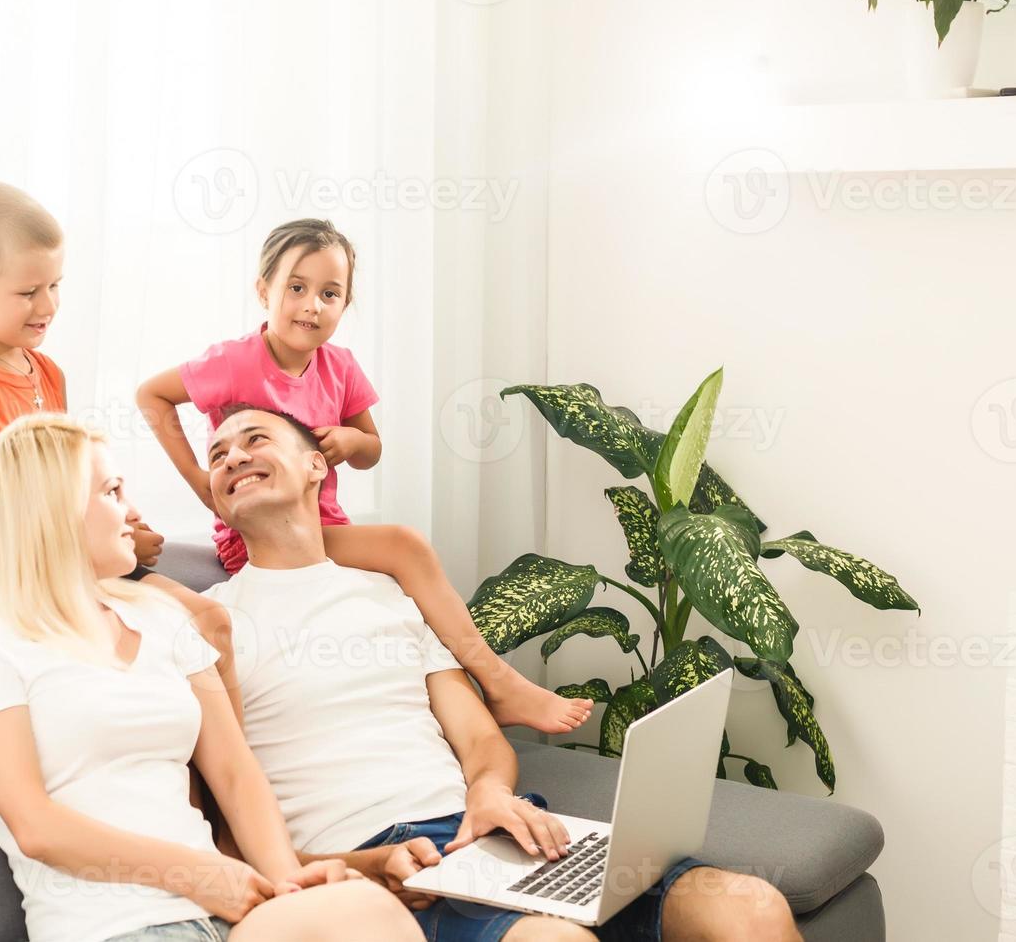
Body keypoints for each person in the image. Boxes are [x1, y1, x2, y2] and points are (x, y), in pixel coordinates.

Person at [195, 404, 803, 942]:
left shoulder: (388, 592)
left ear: (315, 467)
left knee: (752, 910)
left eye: (255, 439)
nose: (234, 457)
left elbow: (480, 737)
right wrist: (360, 868)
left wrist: (488, 792)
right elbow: (226, 834)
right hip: (386, 861)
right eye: (217, 455)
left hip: (490, 833)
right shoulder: (210, 622)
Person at [0, 413, 424, 942]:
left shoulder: (164, 620)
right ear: (52, 511)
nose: (133, 512)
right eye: (112, 492)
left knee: (362, 907)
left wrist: (289, 879)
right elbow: (35, 827)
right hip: (114, 927)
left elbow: (234, 771)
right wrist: (195, 874)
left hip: (231, 915)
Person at [137, 218, 592, 735]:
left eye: (330, 294)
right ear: (264, 290)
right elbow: (151, 396)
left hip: (322, 524)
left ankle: (467, 703)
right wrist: (201, 482)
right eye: (297, 288)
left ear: (345, 304)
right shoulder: (233, 361)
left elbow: (371, 449)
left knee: (398, 592)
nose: (312, 305)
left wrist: (351, 442)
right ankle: (499, 681)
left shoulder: (340, 367)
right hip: (259, 537)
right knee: (403, 546)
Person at [0, 182, 239, 717]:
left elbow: (77, 477)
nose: (48, 305)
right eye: (28, 292)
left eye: (55, 285)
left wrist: (125, 522)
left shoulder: (47, 372)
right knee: (174, 640)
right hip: (20, 569)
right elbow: (7, 518)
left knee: (214, 622)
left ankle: (232, 782)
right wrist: (106, 547)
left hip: (77, 551)